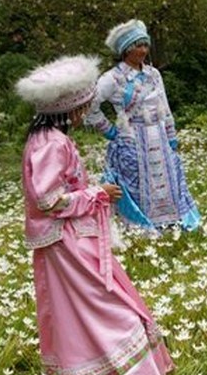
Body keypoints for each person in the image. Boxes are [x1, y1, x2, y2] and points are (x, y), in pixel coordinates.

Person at [16, 55, 174, 375]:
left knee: (79, 312)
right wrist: (96, 194)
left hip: (64, 240)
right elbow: (48, 199)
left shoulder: (43, 138)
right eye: (84, 104)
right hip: (68, 242)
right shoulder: (52, 144)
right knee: (103, 303)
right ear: (69, 108)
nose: (86, 110)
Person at [85, 19, 200, 233]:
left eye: (145, 45)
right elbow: (90, 105)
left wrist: (171, 135)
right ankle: (139, 224)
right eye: (138, 46)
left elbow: (164, 107)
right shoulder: (112, 78)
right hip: (132, 139)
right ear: (126, 50)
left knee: (168, 179)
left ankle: (169, 221)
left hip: (159, 137)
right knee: (135, 181)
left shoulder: (153, 75)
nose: (144, 50)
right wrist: (108, 130)